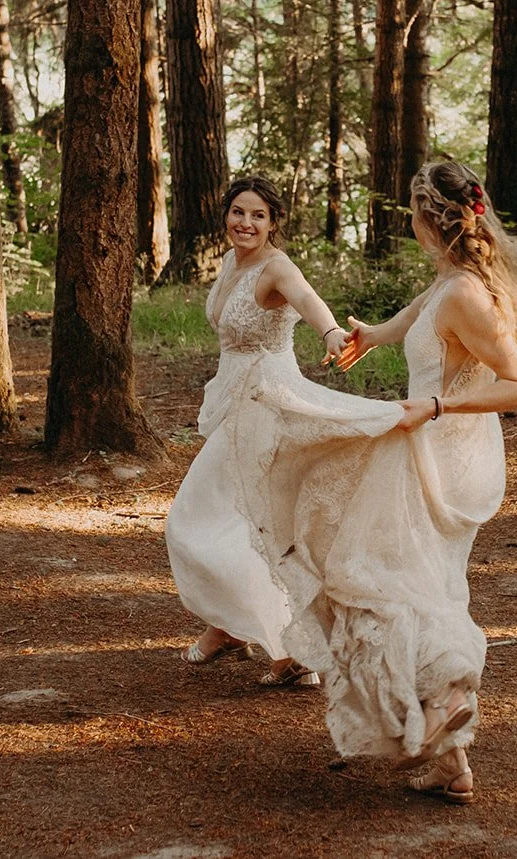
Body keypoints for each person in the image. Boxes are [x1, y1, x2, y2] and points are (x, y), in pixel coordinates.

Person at [242, 160, 517, 805]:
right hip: (421, 444)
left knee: (397, 581)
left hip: (442, 455)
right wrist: (366, 338)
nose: (409, 223)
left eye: (412, 213)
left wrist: (435, 408)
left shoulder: (467, 294)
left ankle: (450, 699)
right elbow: (403, 326)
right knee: (416, 582)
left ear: (427, 219)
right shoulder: (445, 283)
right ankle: (451, 755)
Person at [164, 176, 349, 687]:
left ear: (273, 223)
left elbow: (308, 300)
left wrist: (331, 332)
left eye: (258, 215)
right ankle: (233, 628)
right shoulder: (230, 262)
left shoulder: (276, 266)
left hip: (267, 402)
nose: (245, 223)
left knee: (209, 518)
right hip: (234, 400)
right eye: (238, 212)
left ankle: (287, 649)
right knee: (242, 518)